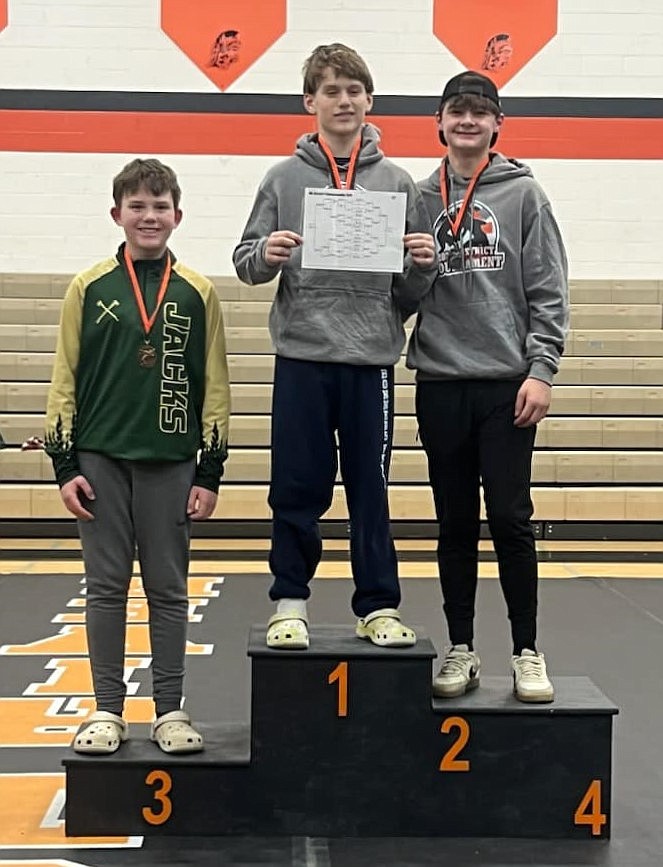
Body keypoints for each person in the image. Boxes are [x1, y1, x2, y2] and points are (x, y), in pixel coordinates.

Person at [233, 43, 436, 650]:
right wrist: (264, 256)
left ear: (369, 100)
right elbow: (245, 263)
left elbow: (409, 290)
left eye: (353, 90)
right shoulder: (282, 177)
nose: (343, 101)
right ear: (310, 102)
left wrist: (422, 266)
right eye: (330, 91)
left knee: (370, 489)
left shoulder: (399, 181)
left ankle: (377, 605)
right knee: (296, 484)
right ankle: (289, 600)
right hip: (301, 357)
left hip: (370, 360)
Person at [45, 158, 230, 753]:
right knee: (105, 588)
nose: (149, 217)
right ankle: (106, 709)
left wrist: (209, 470)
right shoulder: (89, 286)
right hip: (100, 460)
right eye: (137, 206)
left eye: (160, 207)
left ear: (177, 215)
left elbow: (215, 388)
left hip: (171, 463)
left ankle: (170, 709)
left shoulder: (199, 292)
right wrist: (65, 466)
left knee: (169, 590)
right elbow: (63, 379)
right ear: (116, 214)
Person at [407, 71, 569, 702]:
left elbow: (548, 288)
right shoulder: (420, 196)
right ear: (440, 123)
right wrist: (414, 271)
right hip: (442, 380)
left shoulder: (525, 194)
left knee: (509, 517)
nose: (468, 121)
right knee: (453, 522)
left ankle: (527, 650)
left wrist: (542, 368)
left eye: (480, 111)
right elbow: (405, 291)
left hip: (506, 383)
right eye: (456, 111)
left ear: (498, 124)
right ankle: (461, 646)